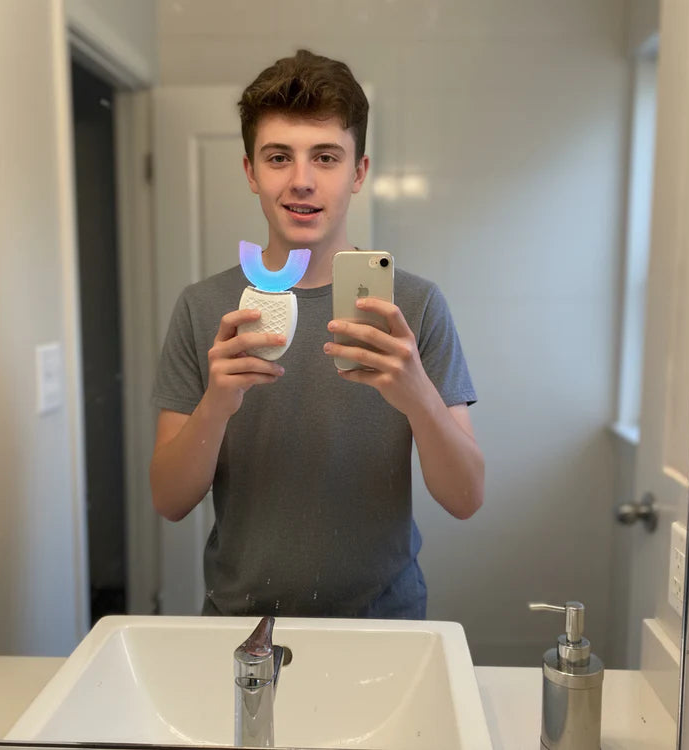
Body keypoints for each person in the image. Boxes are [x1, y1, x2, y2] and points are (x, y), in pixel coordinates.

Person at [149, 49, 484, 619]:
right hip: (242, 626)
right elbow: (169, 501)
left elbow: (466, 498)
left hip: (386, 625)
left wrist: (418, 398)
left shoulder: (415, 307)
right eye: (279, 157)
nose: (301, 181)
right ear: (251, 172)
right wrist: (216, 404)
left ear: (358, 173)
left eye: (326, 157)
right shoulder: (203, 308)